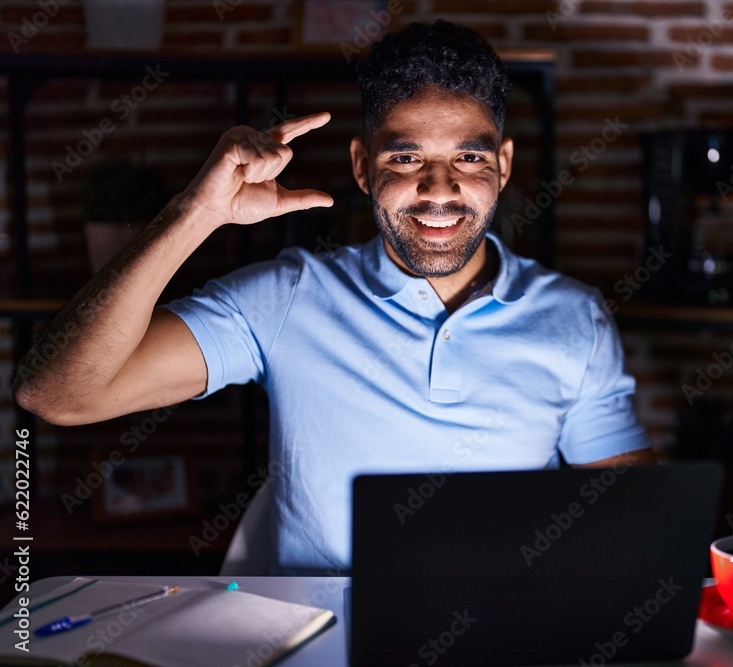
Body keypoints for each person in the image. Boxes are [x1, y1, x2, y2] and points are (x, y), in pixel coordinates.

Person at [13, 20, 653, 573]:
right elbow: (58, 395)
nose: (439, 189)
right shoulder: (287, 297)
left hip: (499, 632)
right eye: (404, 159)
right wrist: (195, 212)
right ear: (361, 164)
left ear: (505, 165)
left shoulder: (575, 317)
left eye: (469, 159)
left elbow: (632, 526)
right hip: (322, 635)